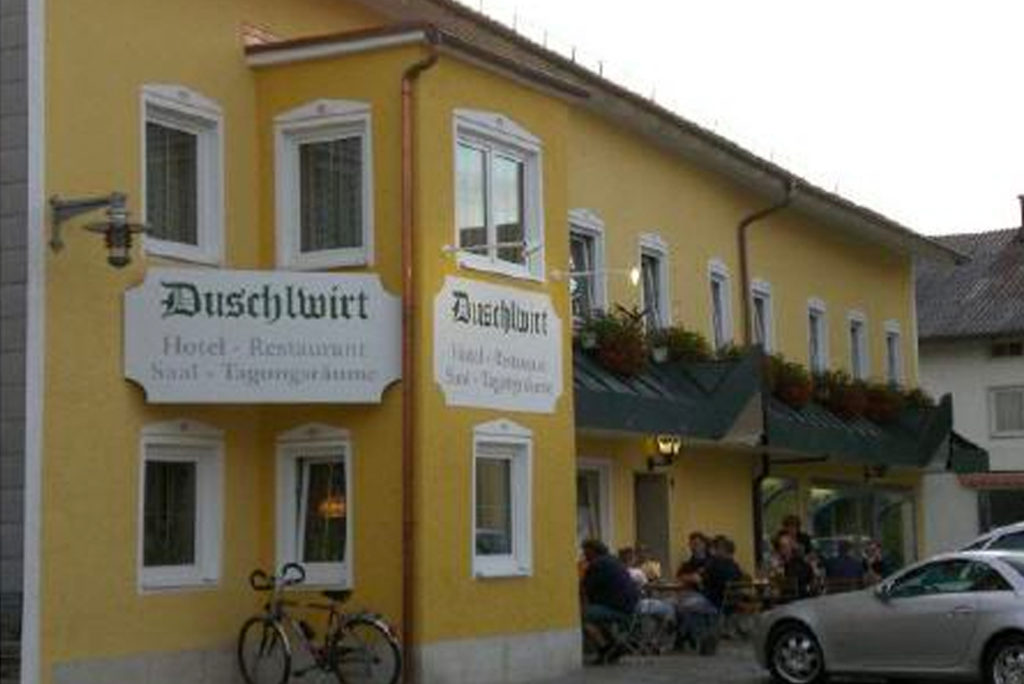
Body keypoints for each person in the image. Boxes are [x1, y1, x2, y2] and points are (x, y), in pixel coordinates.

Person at [580, 539, 640, 664]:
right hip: (630, 608)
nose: (583, 555)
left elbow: (587, 588)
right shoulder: (614, 561)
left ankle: (604, 649)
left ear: (592, 551)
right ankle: (615, 646)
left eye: (585, 552)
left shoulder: (597, 564)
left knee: (582, 616)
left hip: (619, 609)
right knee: (597, 615)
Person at [767, 531, 815, 600]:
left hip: (798, 601)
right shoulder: (774, 563)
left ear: (791, 547)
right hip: (779, 602)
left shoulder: (801, 564)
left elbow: (808, 583)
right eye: (782, 546)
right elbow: (770, 584)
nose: (785, 549)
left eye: (787, 545)